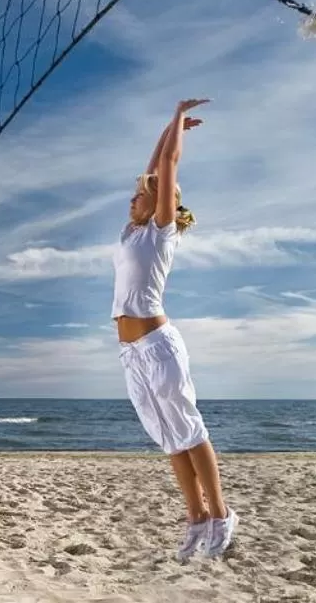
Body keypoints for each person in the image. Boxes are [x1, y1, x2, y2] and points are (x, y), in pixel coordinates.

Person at [114, 97, 236, 561]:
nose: (133, 197)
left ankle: (222, 514)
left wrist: (178, 119)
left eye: (141, 195)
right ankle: (196, 519)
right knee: (170, 438)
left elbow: (165, 166)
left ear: (162, 202)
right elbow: (150, 168)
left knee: (189, 430)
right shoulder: (129, 234)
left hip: (159, 345)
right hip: (132, 354)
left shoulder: (160, 231)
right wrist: (170, 127)